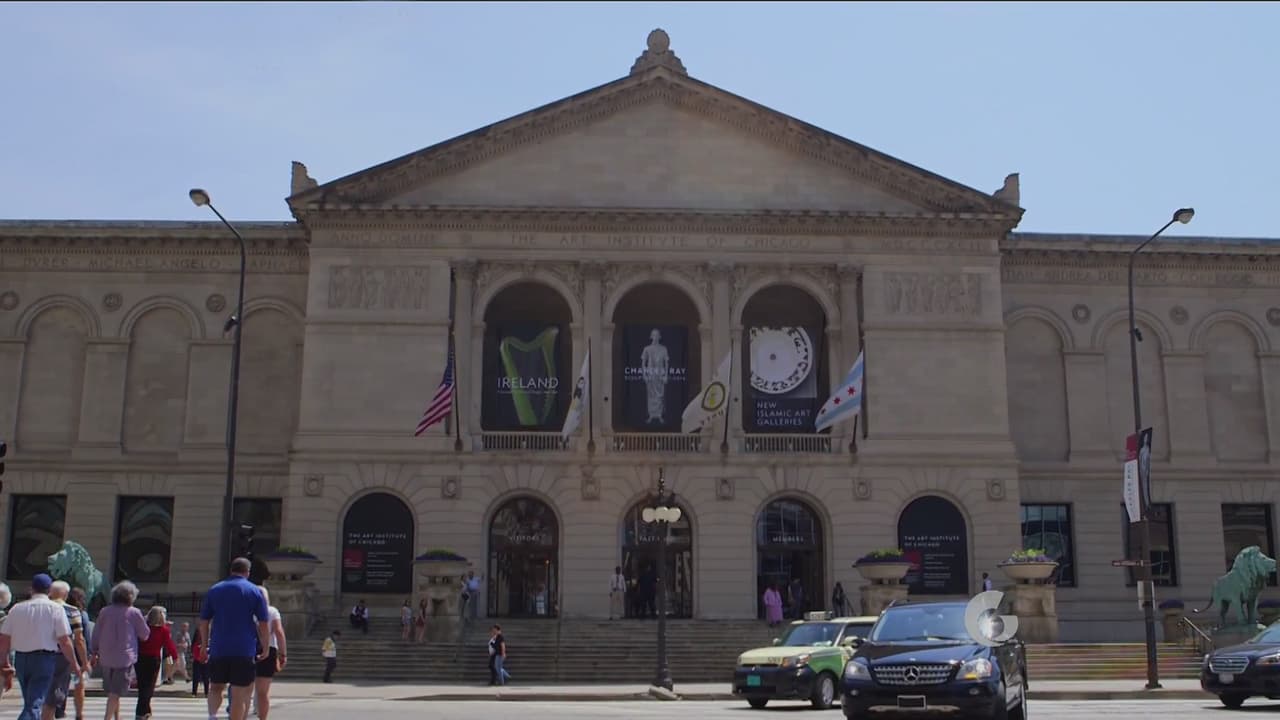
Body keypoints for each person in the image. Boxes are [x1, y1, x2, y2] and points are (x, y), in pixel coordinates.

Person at [0, 574, 82, 720]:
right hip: (44, 659)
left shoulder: (17, 609)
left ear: (32, 589)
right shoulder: (56, 609)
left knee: (30, 702)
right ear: (49, 590)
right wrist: (74, 663)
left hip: (21, 659)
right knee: (34, 704)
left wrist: (4, 662)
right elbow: (64, 640)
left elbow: (4, 639)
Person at [199, 557, 270, 720]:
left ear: (231, 570)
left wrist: (204, 645)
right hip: (244, 649)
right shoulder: (254, 591)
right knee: (239, 693)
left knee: (215, 687)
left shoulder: (215, 590)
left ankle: (212, 715)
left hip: (219, 647)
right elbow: (263, 623)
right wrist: (265, 647)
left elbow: (204, 622)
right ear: (248, 572)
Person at [89, 581, 148, 720]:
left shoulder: (105, 611)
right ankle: (107, 717)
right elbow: (145, 634)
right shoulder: (134, 612)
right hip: (124, 657)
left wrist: (94, 651)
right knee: (116, 692)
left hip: (106, 656)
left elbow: (96, 632)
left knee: (112, 691)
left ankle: (117, 717)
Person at [42, 581, 86, 720]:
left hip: (37, 654)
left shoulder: (40, 609)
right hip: (61, 657)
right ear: (66, 594)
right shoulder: (72, 611)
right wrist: (82, 662)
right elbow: (78, 640)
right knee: (53, 695)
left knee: (41, 695)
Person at [135, 605, 176, 720]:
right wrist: (175, 656)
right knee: (149, 687)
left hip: (140, 658)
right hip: (153, 660)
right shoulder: (164, 630)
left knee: (142, 685)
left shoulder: (144, 628)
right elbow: (169, 645)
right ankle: (141, 712)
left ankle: (146, 711)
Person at [253, 586, 286, 720]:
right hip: (270, 649)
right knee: (263, 692)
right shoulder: (272, 611)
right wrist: (283, 653)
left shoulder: (248, 611)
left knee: (243, 690)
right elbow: (278, 631)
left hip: (249, 648)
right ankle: (263, 718)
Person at [190, 627, 209, 698]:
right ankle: (194, 692)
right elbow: (193, 651)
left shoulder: (207, 641)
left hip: (206, 661)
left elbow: (209, 651)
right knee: (196, 677)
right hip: (197, 661)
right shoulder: (195, 643)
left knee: (206, 677)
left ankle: (206, 693)